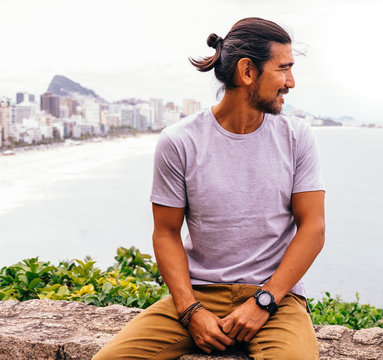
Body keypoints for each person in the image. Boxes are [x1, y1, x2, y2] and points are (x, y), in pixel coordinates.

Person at [92, 17, 325, 360]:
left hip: (275, 298)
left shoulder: (297, 137)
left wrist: (264, 301)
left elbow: (313, 228)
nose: (291, 82)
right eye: (283, 68)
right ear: (248, 71)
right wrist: (190, 311)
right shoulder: (180, 141)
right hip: (199, 294)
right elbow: (166, 233)